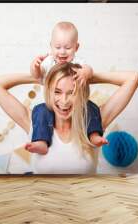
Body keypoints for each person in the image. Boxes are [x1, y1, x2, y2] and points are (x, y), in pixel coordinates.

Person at [0, 62, 138, 174]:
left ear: (81, 94)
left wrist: (88, 77)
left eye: (72, 92)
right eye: (57, 91)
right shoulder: (34, 121)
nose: (64, 100)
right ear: (48, 91)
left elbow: (133, 78)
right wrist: (40, 78)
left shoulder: (94, 120)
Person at [28, 21, 105, 155]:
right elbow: (37, 76)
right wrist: (35, 67)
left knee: (91, 107)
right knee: (40, 110)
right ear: (51, 46)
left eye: (68, 47)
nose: (62, 52)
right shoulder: (48, 62)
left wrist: (85, 73)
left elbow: (89, 70)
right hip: (52, 104)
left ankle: (93, 135)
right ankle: (41, 141)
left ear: (76, 47)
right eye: (57, 47)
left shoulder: (78, 62)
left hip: (77, 104)